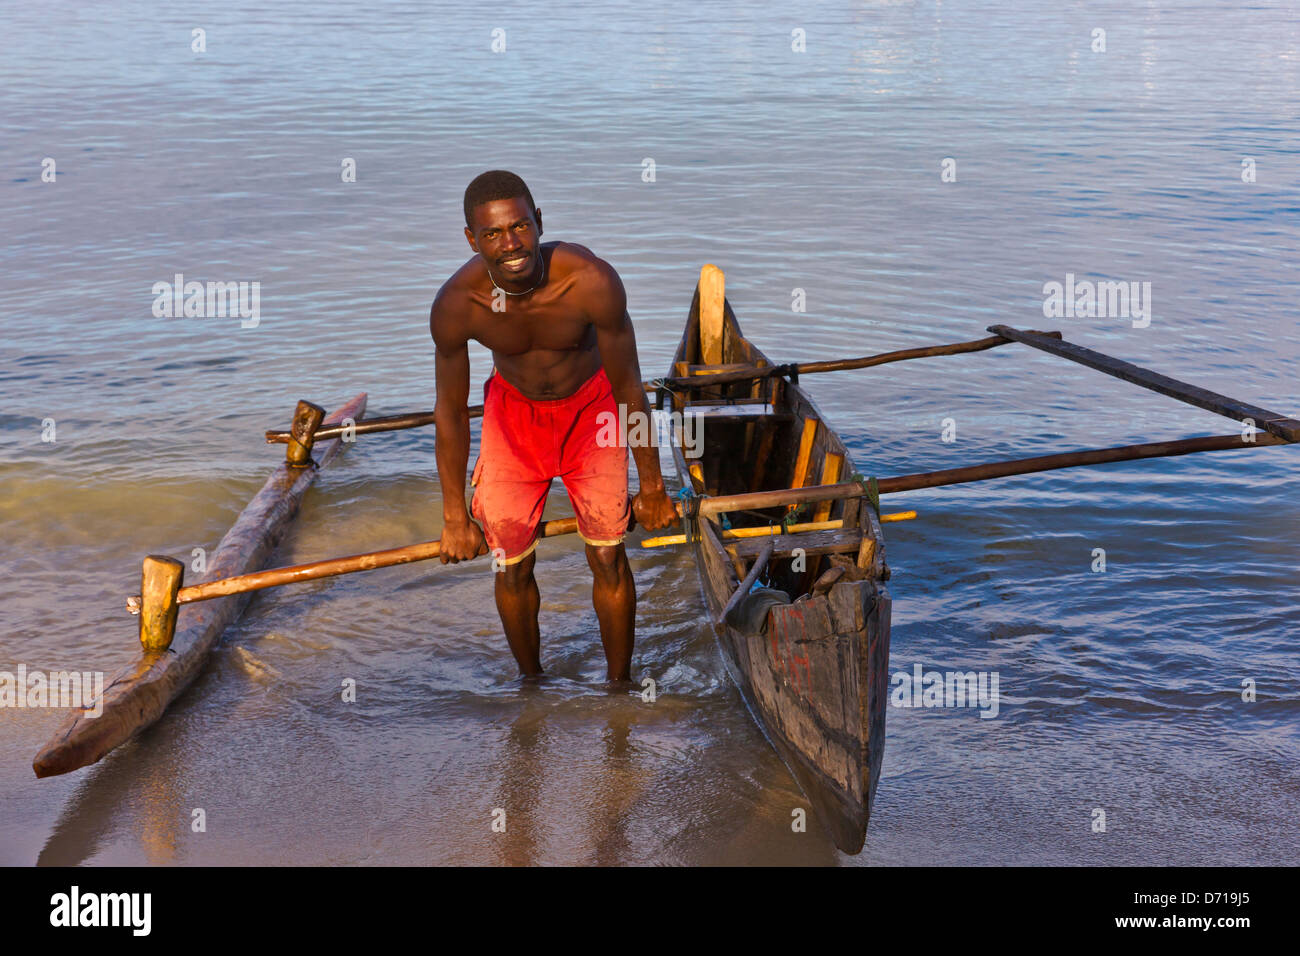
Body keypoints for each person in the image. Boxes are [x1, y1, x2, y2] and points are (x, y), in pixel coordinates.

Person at [430, 170, 678, 683]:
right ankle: (531, 686)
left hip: (593, 410)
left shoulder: (589, 281)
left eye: (520, 227)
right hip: (514, 416)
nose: (511, 244)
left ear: (539, 222)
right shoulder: (458, 305)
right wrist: (455, 516)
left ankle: (619, 687)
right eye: (493, 234)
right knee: (511, 562)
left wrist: (652, 486)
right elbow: (450, 414)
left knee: (608, 554)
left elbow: (630, 386)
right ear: (472, 240)